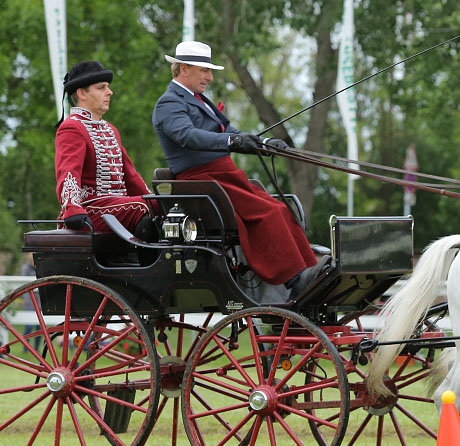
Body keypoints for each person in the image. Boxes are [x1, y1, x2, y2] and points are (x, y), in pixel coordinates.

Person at [152, 41, 324, 299]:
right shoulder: (169, 103)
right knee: (267, 213)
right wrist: (231, 142)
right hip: (202, 180)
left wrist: (262, 143)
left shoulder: (198, 99)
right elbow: (187, 136)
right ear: (184, 69)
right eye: (204, 71)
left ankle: (308, 269)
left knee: (280, 208)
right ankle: (294, 279)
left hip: (223, 176)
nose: (210, 77)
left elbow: (227, 131)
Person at [55, 61, 158, 235]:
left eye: (108, 87)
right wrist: (72, 209)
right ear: (81, 93)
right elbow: (68, 172)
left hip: (117, 208)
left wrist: (156, 200)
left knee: (164, 205)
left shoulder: (110, 129)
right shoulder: (72, 127)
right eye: (101, 87)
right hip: (90, 211)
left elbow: (130, 176)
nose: (109, 92)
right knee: (144, 206)